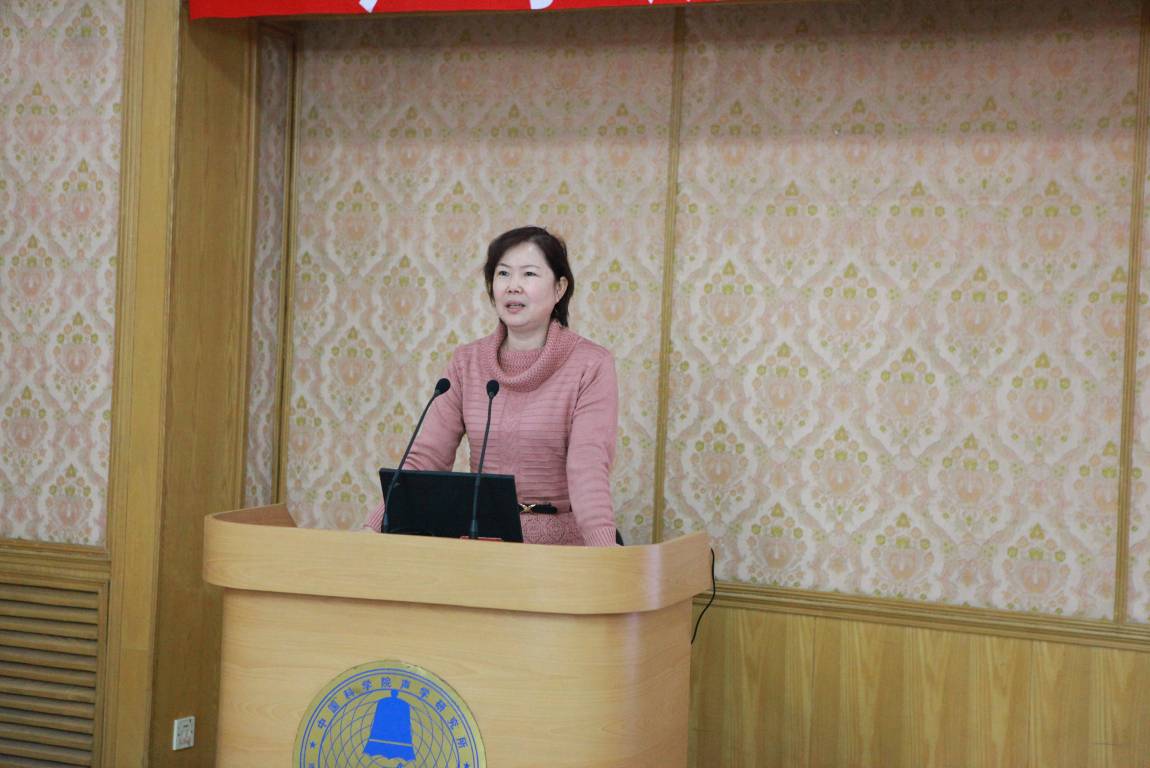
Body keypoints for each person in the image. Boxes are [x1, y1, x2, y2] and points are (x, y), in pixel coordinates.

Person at [362, 226, 619, 546]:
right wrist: (374, 527)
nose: (513, 286)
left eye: (529, 274)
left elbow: (588, 468)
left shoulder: (590, 364)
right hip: (481, 544)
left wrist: (604, 551)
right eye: (503, 274)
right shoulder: (466, 363)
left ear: (559, 288)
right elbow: (424, 459)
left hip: (558, 551)